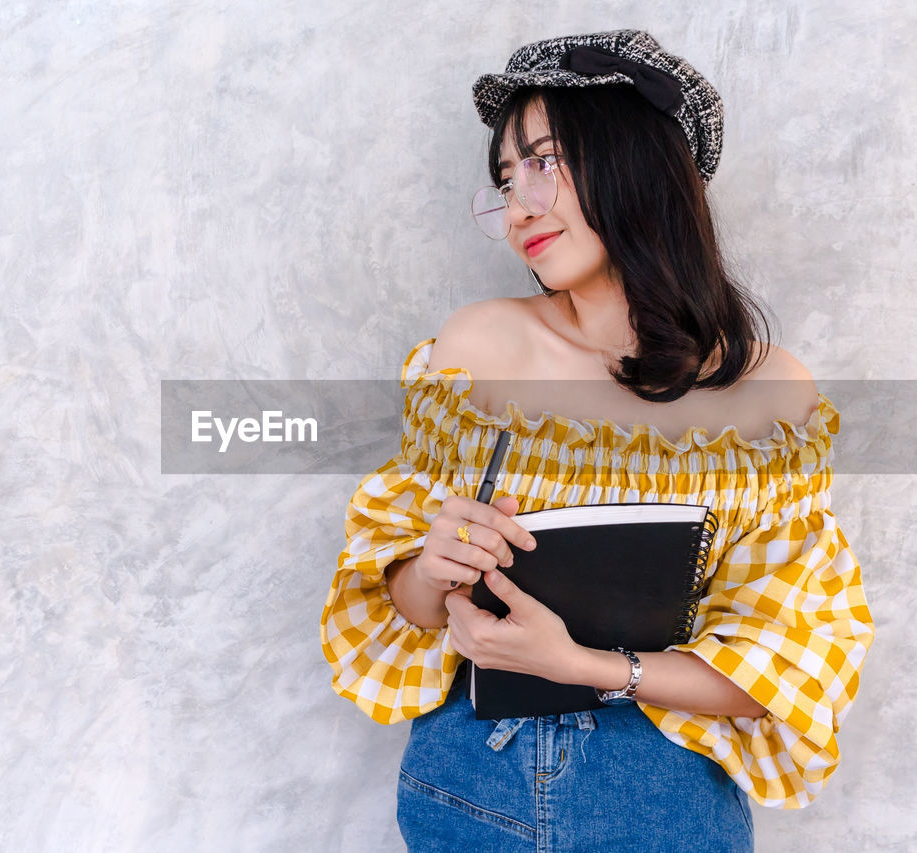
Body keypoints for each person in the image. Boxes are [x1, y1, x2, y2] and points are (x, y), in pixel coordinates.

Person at [319, 29, 875, 852]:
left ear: (636, 165)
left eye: (543, 163)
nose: (518, 209)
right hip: (469, 775)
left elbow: (784, 665)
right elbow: (397, 604)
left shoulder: (770, 393)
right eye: (505, 181)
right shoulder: (478, 347)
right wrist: (431, 570)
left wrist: (589, 664)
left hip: (661, 794)